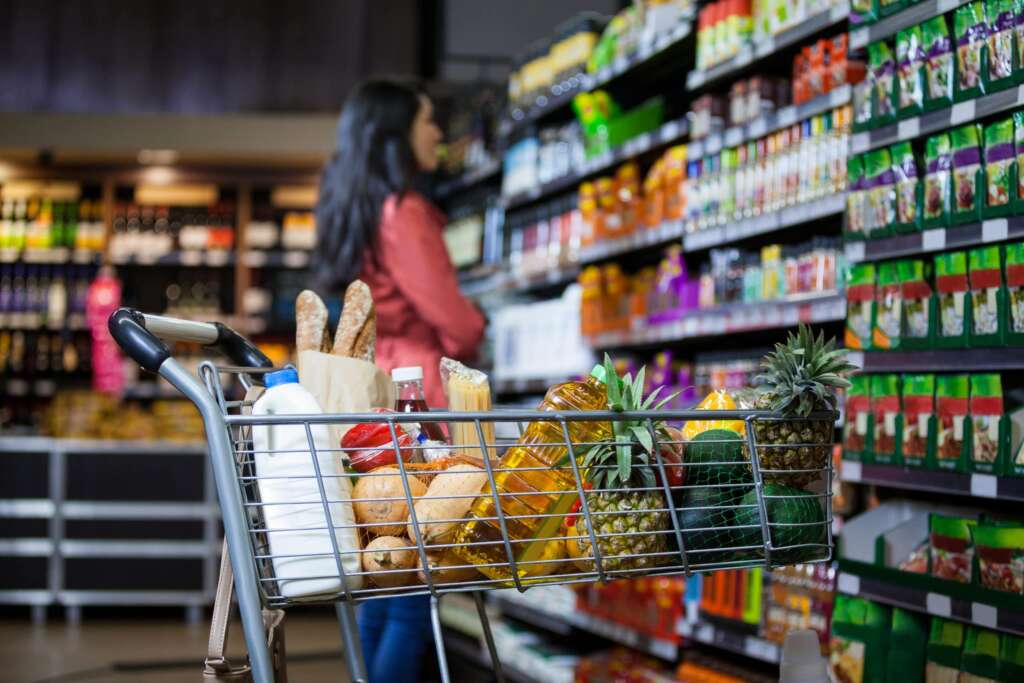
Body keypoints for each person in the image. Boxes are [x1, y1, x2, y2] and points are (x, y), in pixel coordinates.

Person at [312, 79, 485, 682]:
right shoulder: (404, 212)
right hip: (418, 403)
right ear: (397, 134)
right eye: (429, 121)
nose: (438, 132)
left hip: (370, 398)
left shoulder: (356, 209)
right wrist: (477, 328)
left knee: (380, 570)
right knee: (415, 585)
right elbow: (456, 322)